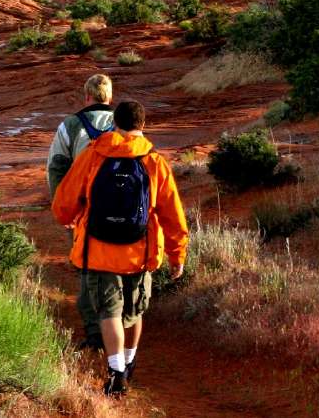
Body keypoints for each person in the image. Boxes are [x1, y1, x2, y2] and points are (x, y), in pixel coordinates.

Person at [50, 101, 189, 397]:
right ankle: (128, 362)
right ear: (143, 125)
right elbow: (172, 215)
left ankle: (116, 373)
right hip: (140, 254)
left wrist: (69, 218)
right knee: (134, 312)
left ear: (115, 123)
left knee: (109, 313)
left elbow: (64, 203)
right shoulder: (154, 162)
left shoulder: (94, 155)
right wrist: (177, 255)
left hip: (99, 251)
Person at [46, 73, 115, 201]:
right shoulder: (124, 122)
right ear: (110, 97)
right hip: (119, 200)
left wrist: (59, 202)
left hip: (83, 200)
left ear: (87, 96)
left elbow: (56, 166)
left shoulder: (70, 124)